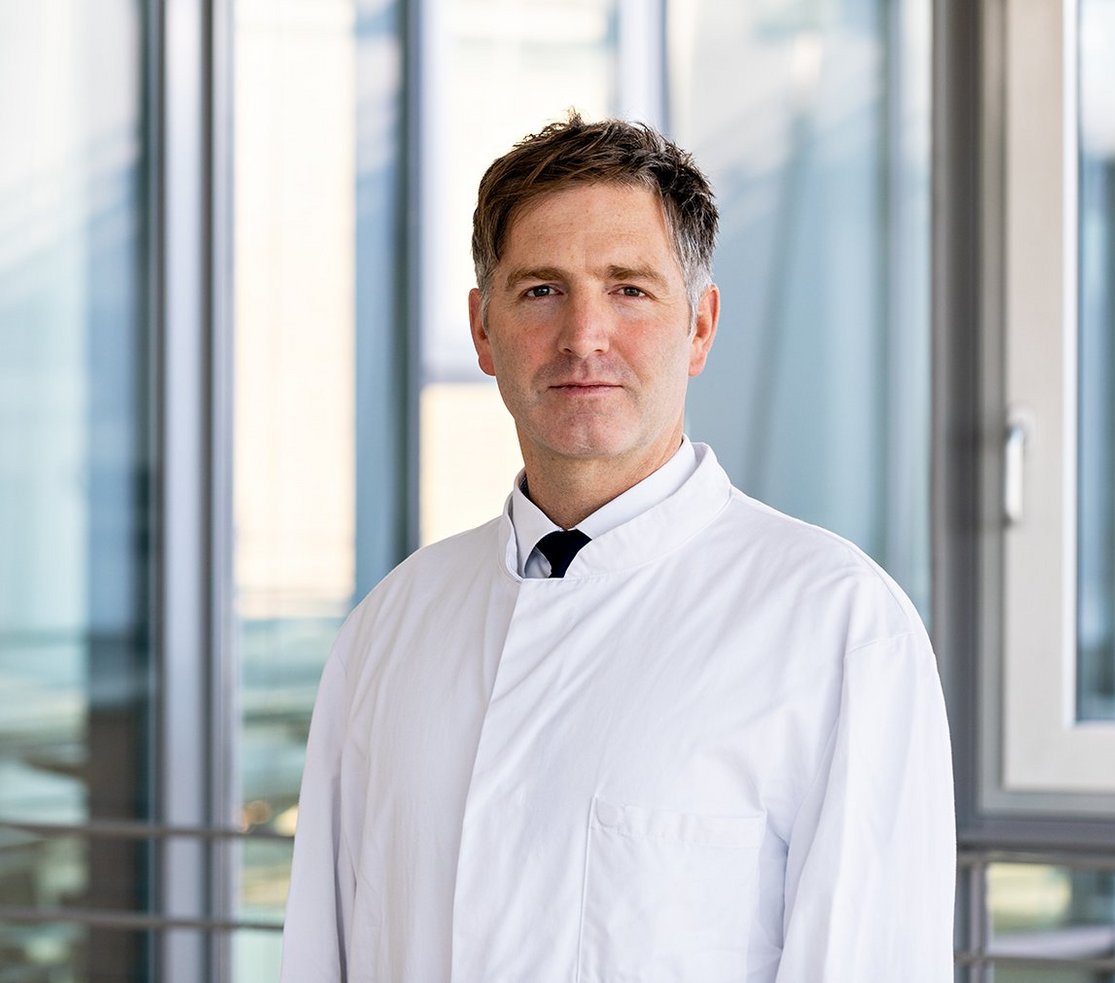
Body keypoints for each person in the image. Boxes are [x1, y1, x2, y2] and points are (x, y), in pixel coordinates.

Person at [280, 114, 955, 982]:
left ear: (700, 327)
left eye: (629, 289)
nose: (583, 336)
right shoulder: (391, 627)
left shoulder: (840, 628)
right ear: (482, 330)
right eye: (541, 290)